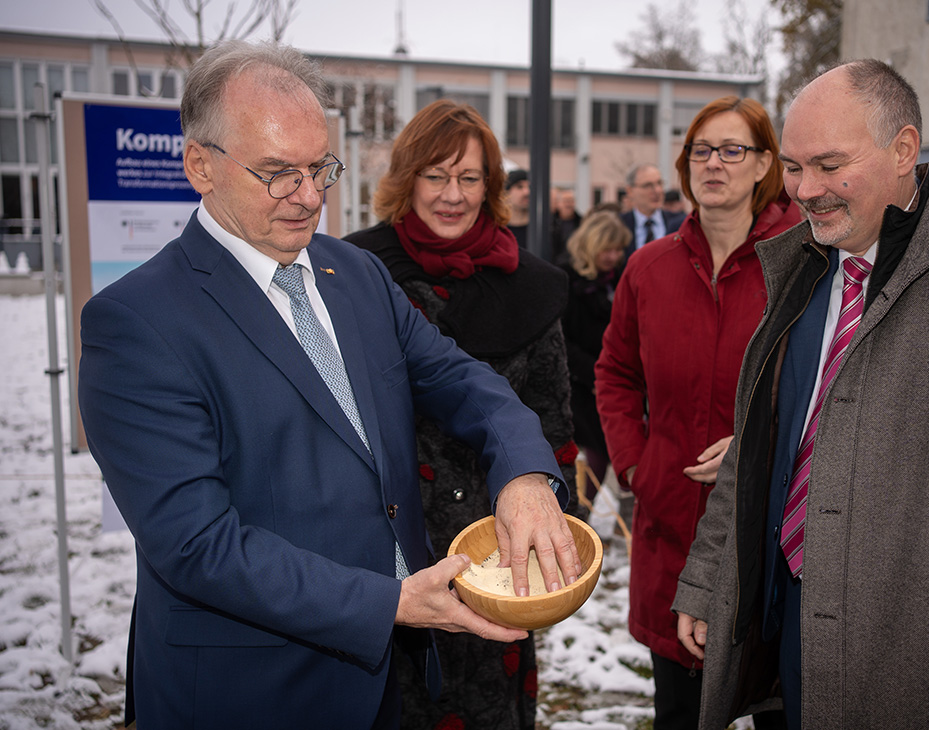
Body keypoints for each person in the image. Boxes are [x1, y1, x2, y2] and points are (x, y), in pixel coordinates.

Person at [77, 42, 582, 730]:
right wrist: (388, 604)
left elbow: (462, 379)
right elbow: (198, 545)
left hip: (378, 686)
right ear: (201, 165)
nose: (310, 197)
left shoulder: (358, 275)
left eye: (321, 168)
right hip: (244, 692)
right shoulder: (137, 322)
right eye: (279, 173)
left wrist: (523, 474)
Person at [673, 60, 929, 730]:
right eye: (793, 166)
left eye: (828, 164)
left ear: (904, 148)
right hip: (788, 630)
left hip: (927, 664)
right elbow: (758, 445)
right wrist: (709, 578)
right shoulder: (798, 268)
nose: (804, 189)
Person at [344, 99, 579, 730]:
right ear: (406, 179)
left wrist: (558, 522)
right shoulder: (353, 272)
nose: (452, 195)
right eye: (435, 175)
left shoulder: (531, 285)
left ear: (491, 187)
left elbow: (552, 419)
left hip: (496, 548)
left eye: (469, 178)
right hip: (387, 547)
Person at [595, 96, 800, 730]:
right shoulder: (648, 268)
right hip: (671, 523)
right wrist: (636, 466)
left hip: (769, 529)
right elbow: (615, 375)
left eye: (733, 149)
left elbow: (827, 384)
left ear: (765, 162)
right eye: (700, 151)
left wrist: (755, 442)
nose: (714, 163)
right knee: (679, 711)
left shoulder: (804, 262)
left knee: (777, 704)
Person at [561, 210, 632, 493]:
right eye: (608, 249)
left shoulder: (618, 278)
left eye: (618, 249)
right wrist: (595, 375)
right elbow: (562, 341)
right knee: (591, 465)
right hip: (580, 386)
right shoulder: (567, 280)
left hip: (611, 383)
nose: (613, 256)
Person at [620, 163, 685, 259]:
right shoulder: (620, 225)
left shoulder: (681, 224)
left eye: (659, 183)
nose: (657, 190)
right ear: (630, 191)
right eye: (648, 185)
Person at [550, 187, 582, 265]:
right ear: (558, 203)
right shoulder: (550, 223)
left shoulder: (582, 223)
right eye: (565, 201)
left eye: (571, 201)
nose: (568, 204)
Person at [505, 168, 531, 247]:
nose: (527, 192)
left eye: (530, 187)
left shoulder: (546, 228)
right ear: (506, 194)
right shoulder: (497, 229)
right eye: (519, 187)